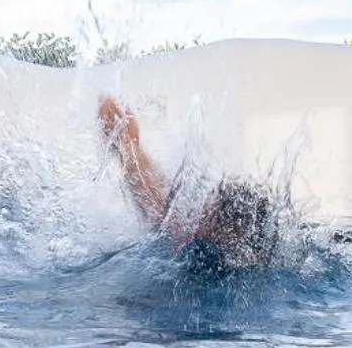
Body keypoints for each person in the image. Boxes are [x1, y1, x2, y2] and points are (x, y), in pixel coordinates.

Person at [97, 95, 277, 275]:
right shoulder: (193, 234)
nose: (197, 221)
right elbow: (156, 199)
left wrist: (128, 144)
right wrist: (128, 144)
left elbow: (155, 203)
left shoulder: (204, 244)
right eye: (204, 213)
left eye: (206, 218)